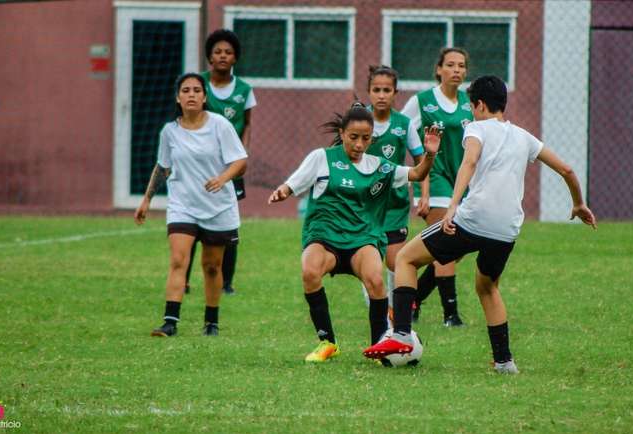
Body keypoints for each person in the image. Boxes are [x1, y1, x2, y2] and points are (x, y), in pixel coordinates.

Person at [363, 76, 597, 373]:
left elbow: (469, 162)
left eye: (471, 107)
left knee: (407, 258)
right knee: (487, 287)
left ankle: (401, 336)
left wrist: (452, 206)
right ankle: (504, 361)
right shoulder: (525, 136)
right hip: (507, 230)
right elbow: (567, 168)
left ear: (480, 105)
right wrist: (578, 203)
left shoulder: (476, 128)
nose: (470, 112)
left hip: (473, 220)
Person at [268, 102, 440, 362]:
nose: (359, 144)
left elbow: (416, 173)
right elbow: (294, 182)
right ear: (342, 132)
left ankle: (379, 344)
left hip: (362, 239)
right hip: (324, 237)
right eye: (353, 138)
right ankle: (327, 342)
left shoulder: (380, 167)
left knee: (376, 280)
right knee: (310, 271)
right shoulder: (322, 158)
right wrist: (283, 191)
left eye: (366, 138)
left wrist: (429, 155)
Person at [134, 72, 248, 337]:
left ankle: (211, 323)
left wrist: (222, 179)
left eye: (197, 90)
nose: (192, 95)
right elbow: (163, 167)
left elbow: (241, 161)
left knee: (211, 266)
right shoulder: (169, 132)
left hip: (218, 207)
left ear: (205, 96)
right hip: (182, 205)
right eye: (186, 90)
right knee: (177, 260)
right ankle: (170, 321)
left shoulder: (220, 125)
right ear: (178, 97)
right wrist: (146, 200)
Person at [401, 47, 474, 326]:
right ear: (439, 69)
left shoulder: (470, 103)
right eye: (451, 65)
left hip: (463, 181)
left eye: (462, 65)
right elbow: (404, 132)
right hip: (436, 180)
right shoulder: (422, 101)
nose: (457, 70)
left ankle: (415, 297)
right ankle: (451, 314)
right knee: (448, 239)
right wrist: (422, 187)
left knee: (453, 248)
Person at [184, 29, 257, 296]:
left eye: (228, 52)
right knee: (190, 221)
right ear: (209, 57)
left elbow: (248, 124)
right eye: (217, 52)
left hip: (230, 166)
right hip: (199, 165)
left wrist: (243, 153)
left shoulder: (245, 90)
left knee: (228, 224)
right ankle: (184, 279)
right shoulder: (198, 84)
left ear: (235, 57)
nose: (223, 56)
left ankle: (226, 282)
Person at [359, 65, 425, 311]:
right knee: (371, 262)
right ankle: (379, 311)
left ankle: (395, 309)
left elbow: (421, 163)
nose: (382, 95)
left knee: (395, 262)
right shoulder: (359, 121)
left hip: (395, 204)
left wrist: (423, 194)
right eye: (376, 89)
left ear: (396, 93)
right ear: (368, 91)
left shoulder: (404, 124)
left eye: (387, 90)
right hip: (364, 204)